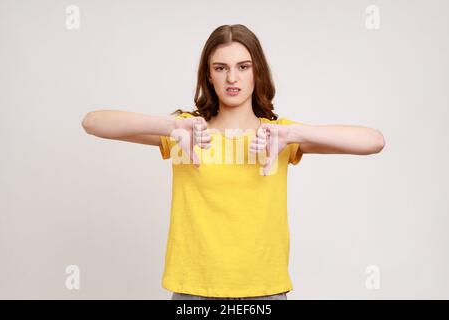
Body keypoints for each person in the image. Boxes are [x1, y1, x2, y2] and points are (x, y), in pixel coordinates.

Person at [81, 24, 385, 300]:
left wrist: (293, 132)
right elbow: (93, 123)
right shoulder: (188, 132)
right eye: (220, 67)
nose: (232, 78)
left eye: (243, 66)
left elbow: (373, 141)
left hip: (264, 292)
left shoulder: (278, 136)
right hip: (194, 291)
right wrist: (170, 126)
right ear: (208, 76)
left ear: (257, 72)